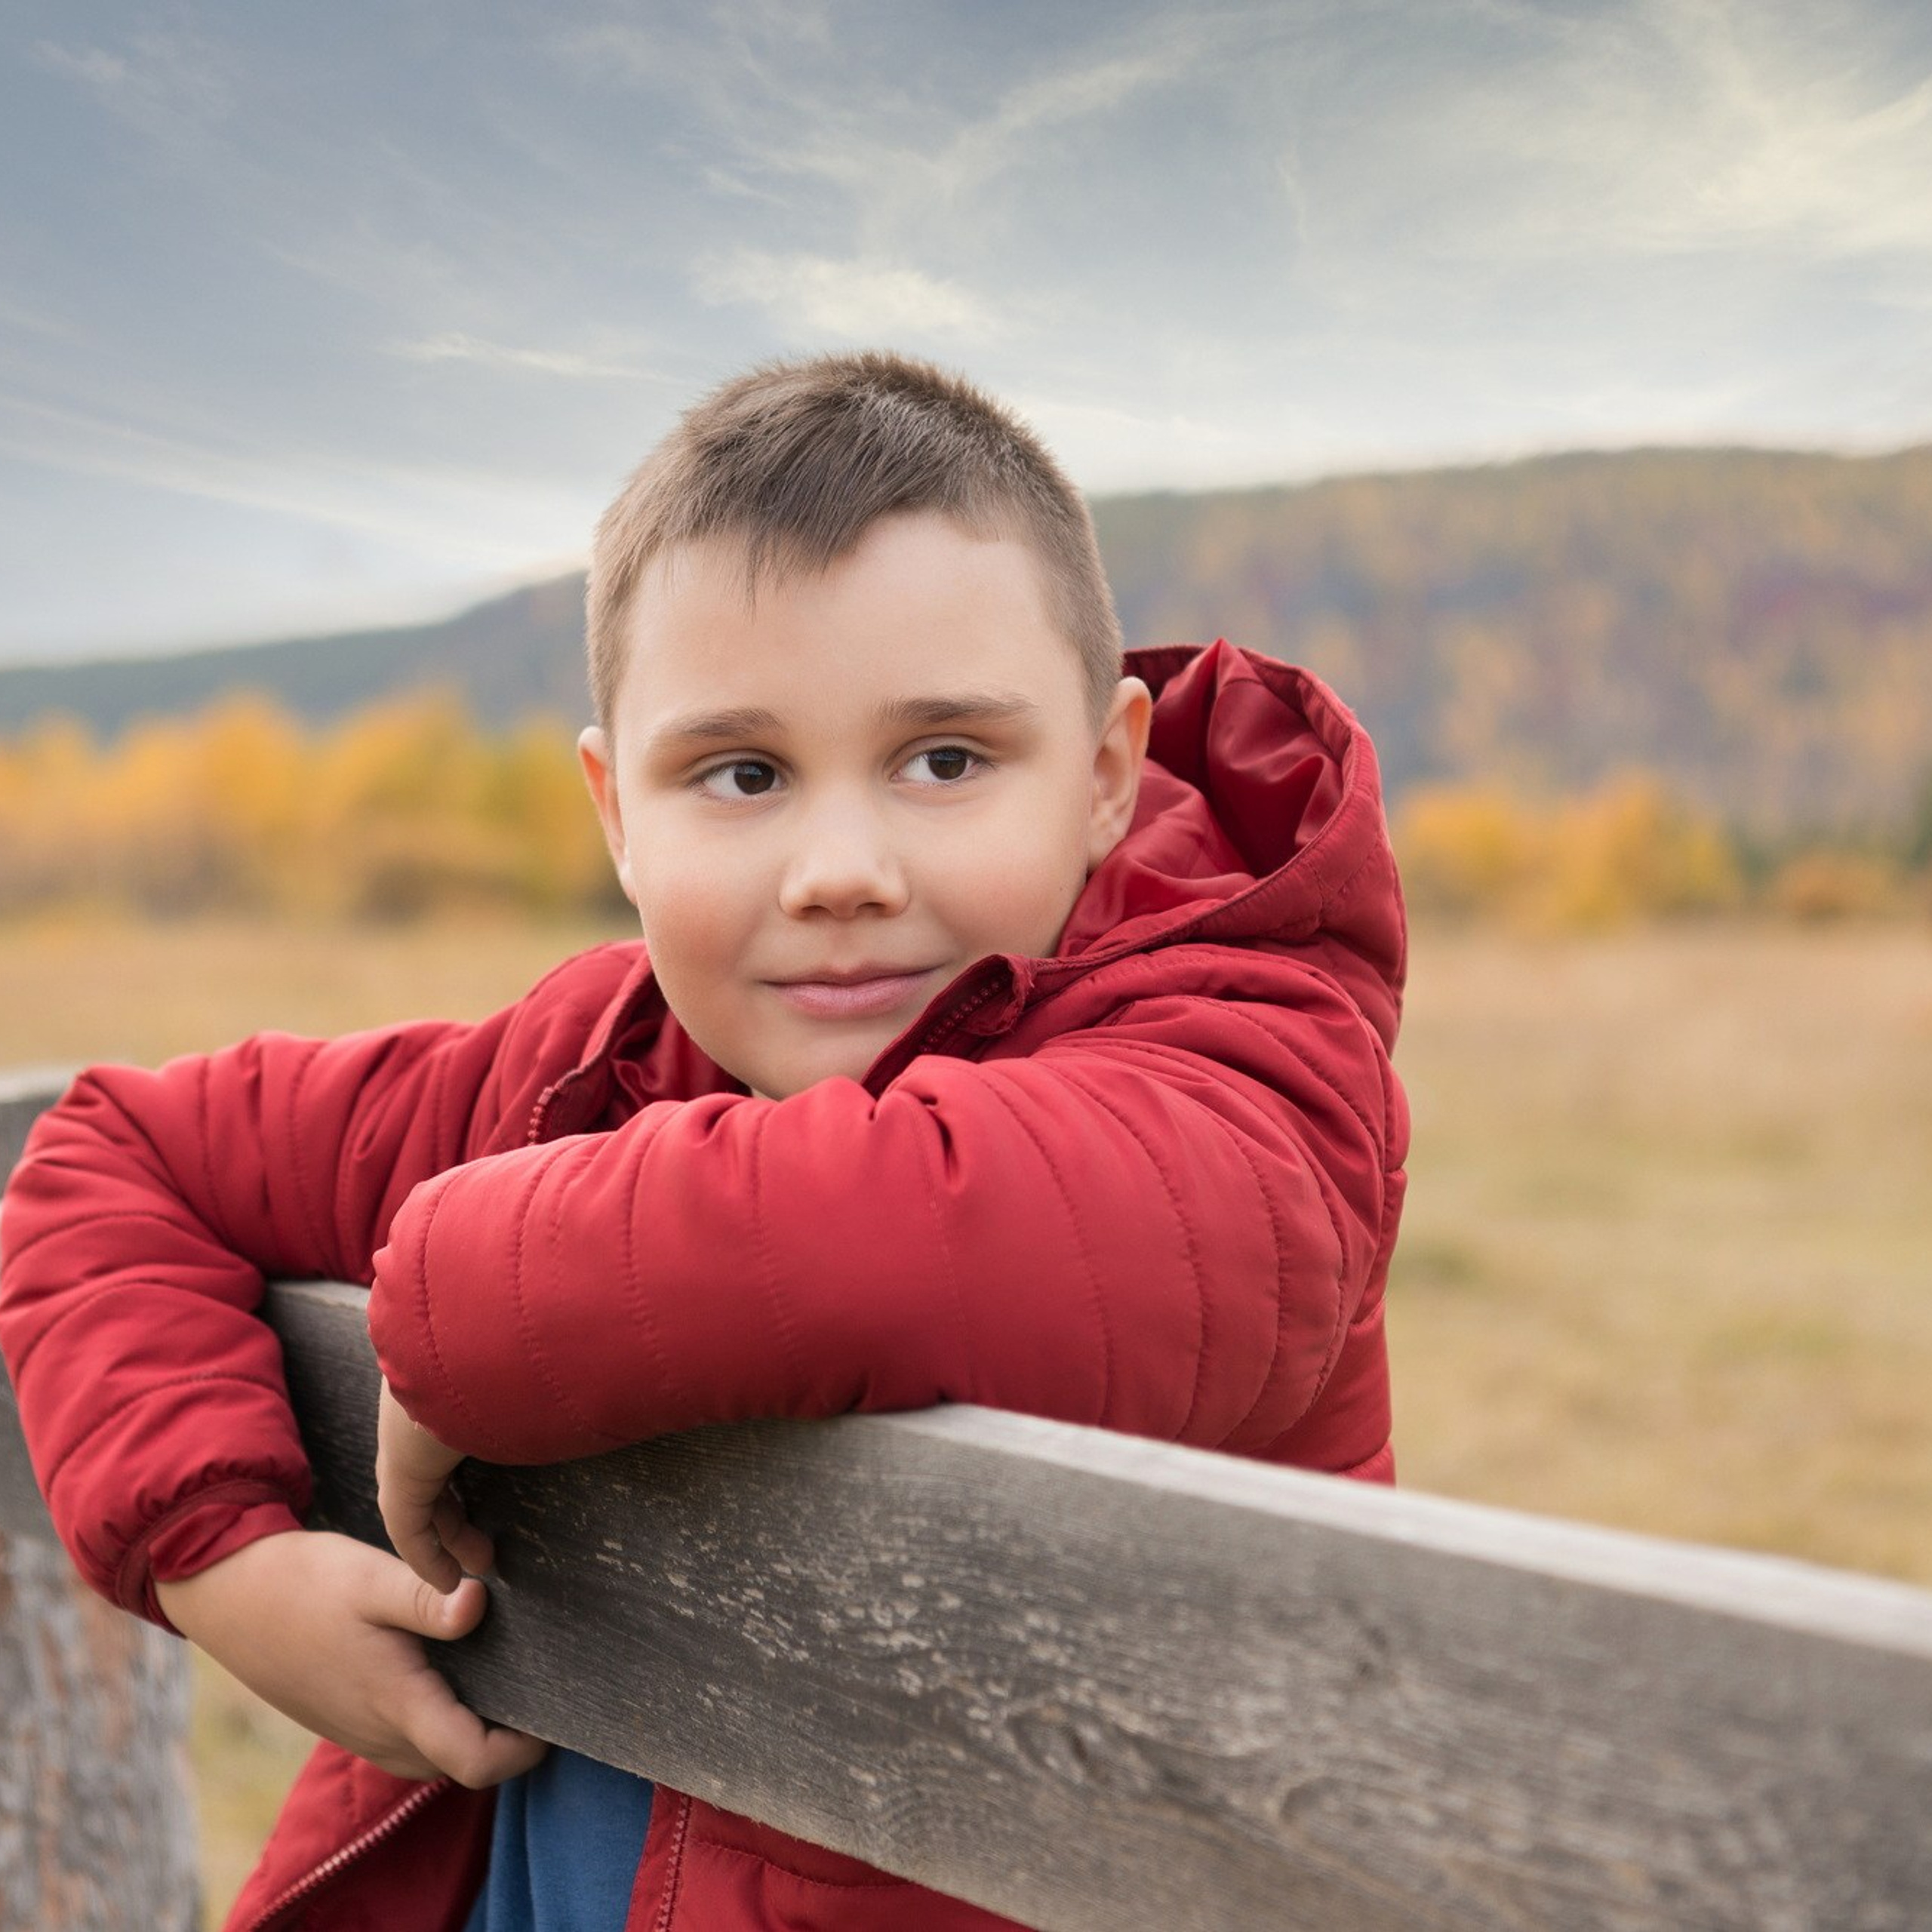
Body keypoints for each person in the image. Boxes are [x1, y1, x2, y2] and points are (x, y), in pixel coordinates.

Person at [0, 350, 1409, 1932]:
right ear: (616, 812)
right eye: (739, 773)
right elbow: (108, 1149)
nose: (839, 867)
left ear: (1102, 772)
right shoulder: (574, 1068)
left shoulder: (1248, 1053)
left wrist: (460, 1294)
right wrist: (216, 1554)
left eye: (944, 758)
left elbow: (984, 1223)